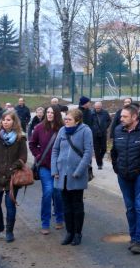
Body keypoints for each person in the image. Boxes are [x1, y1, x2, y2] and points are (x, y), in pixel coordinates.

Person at [110, 105, 140, 254]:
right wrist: (116, 167)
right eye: (121, 116)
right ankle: (133, 237)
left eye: (125, 116)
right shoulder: (118, 130)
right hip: (123, 174)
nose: (121, 119)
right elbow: (114, 151)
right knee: (130, 207)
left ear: (134, 117)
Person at [51, 108, 93, 246]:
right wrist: (54, 169)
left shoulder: (86, 131)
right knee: (66, 205)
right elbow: (55, 150)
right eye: (65, 119)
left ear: (77, 120)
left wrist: (79, 171)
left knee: (77, 205)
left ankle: (77, 233)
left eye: (69, 119)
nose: (66, 121)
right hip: (61, 174)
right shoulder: (62, 131)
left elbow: (88, 152)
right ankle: (69, 232)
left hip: (76, 175)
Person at [0, 112, 27, 243]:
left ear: (14, 122)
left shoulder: (20, 138)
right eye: (4, 120)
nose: (5, 122)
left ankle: (9, 231)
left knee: (10, 205)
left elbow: (23, 157)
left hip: (12, 178)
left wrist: (13, 167)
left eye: (8, 120)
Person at [29, 107, 64, 234]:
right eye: (48, 112)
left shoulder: (62, 129)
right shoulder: (39, 127)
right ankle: (45, 222)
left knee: (58, 192)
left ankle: (60, 217)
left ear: (57, 114)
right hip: (44, 166)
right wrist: (38, 155)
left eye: (52, 113)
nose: (49, 114)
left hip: (59, 167)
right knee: (48, 192)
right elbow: (32, 144)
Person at [89, 101, 111, 170]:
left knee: (104, 148)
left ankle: (99, 158)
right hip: (94, 134)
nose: (97, 109)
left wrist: (105, 126)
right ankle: (99, 164)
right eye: (96, 108)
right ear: (94, 107)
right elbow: (89, 123)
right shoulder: (91, 113)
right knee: (97, 149)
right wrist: (92, 129)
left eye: (99, 108)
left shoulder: (105, 113)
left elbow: (109, 120)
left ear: (101, 107)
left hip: (103, 133)